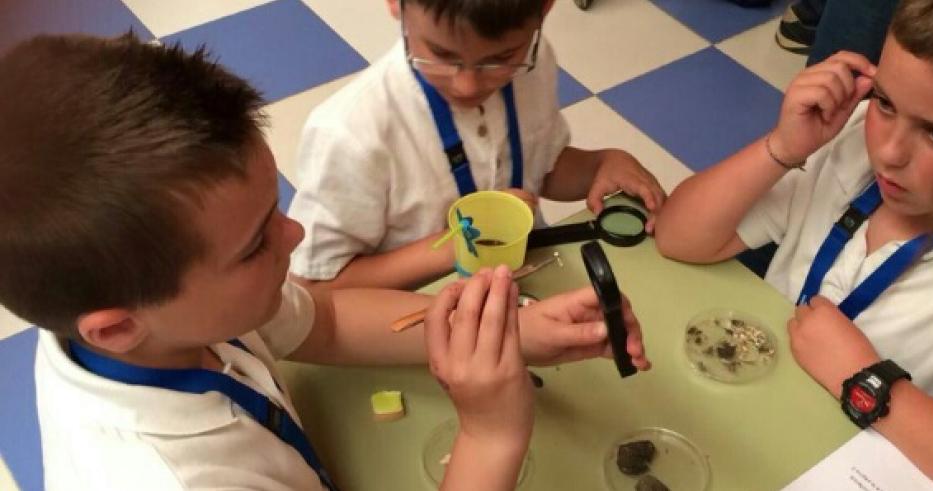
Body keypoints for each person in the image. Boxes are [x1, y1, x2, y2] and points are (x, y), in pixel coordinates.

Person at [0, 33, 651, 490]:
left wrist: (518, 331)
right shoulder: (170, 476)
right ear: (114, 327)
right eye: (257, 243)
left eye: (272, 209)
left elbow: (324, 320)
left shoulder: (154, 313)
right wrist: (490, 437)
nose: (295, 232)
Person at [655, 0, 933, 484]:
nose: (889, 153)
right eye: (885, 102)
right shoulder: (853, 140)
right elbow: (678, 236)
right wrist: (782, 148)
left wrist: (867, 380)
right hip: (752, 428)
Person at [286, 0, 665, 291]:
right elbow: (315, 286)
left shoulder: (534, 62)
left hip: (522, 280)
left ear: (545, 9)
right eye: (441, 55)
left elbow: (540, 169)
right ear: (396, 5)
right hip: (414, 317)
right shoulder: (349, 133)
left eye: (499, 59)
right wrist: (458, 247)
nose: (467, 85)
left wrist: (602, 165)